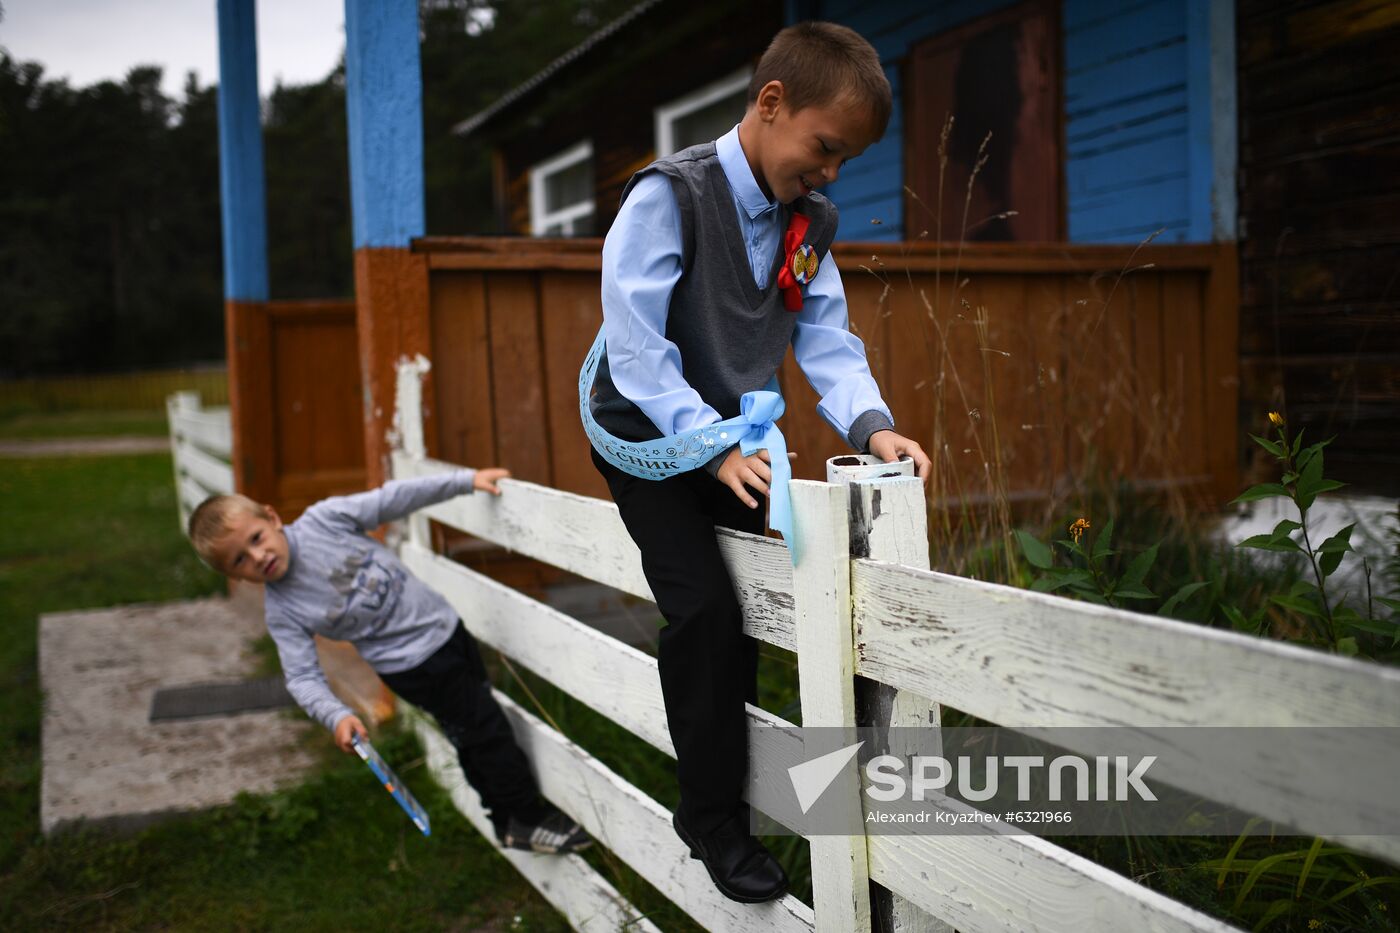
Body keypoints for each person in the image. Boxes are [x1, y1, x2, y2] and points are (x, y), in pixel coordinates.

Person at [584, 22, 931, 903]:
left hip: (733, 434)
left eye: (845, 159)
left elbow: (823, 331)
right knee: (702, 610)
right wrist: (710, 444)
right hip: (648, 428)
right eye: (825, 147)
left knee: (792, 581)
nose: (830, 171)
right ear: (771, 104)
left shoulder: (808, 220)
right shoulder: (669, 196)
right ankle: (709, 817)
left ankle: (833, 795)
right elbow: (638, 347)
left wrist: (871, 424)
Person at [187, 469, 591, 855]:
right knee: (486, 729)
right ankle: (527, 816)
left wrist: (465, 481)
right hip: (415, 668)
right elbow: (302, 676)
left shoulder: (324, 521)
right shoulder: (283, 611)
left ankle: (505, 818)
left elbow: (392, 499)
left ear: (272, 518)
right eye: (239, 560)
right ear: (235, 576)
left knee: (472, 731)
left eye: (257, 538)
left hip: (447, 629)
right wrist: (336, 715)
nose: (258, 556)